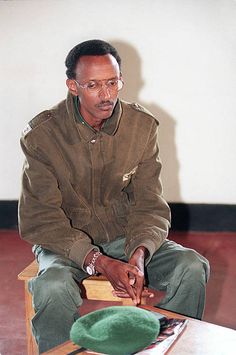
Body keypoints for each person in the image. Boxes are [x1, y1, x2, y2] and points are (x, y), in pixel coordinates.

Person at [18, 39, 210, 353]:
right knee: (52, 287)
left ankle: (165, 348)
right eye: (93, 85)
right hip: (65, 241)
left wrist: (140, 252)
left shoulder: (141, 127)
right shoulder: (43, 136)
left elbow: (149, 203)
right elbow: (40, 220)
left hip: (125, 235)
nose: (106, 95)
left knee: (191, 266)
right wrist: (98, 260)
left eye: (112, 82)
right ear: (73, 86)